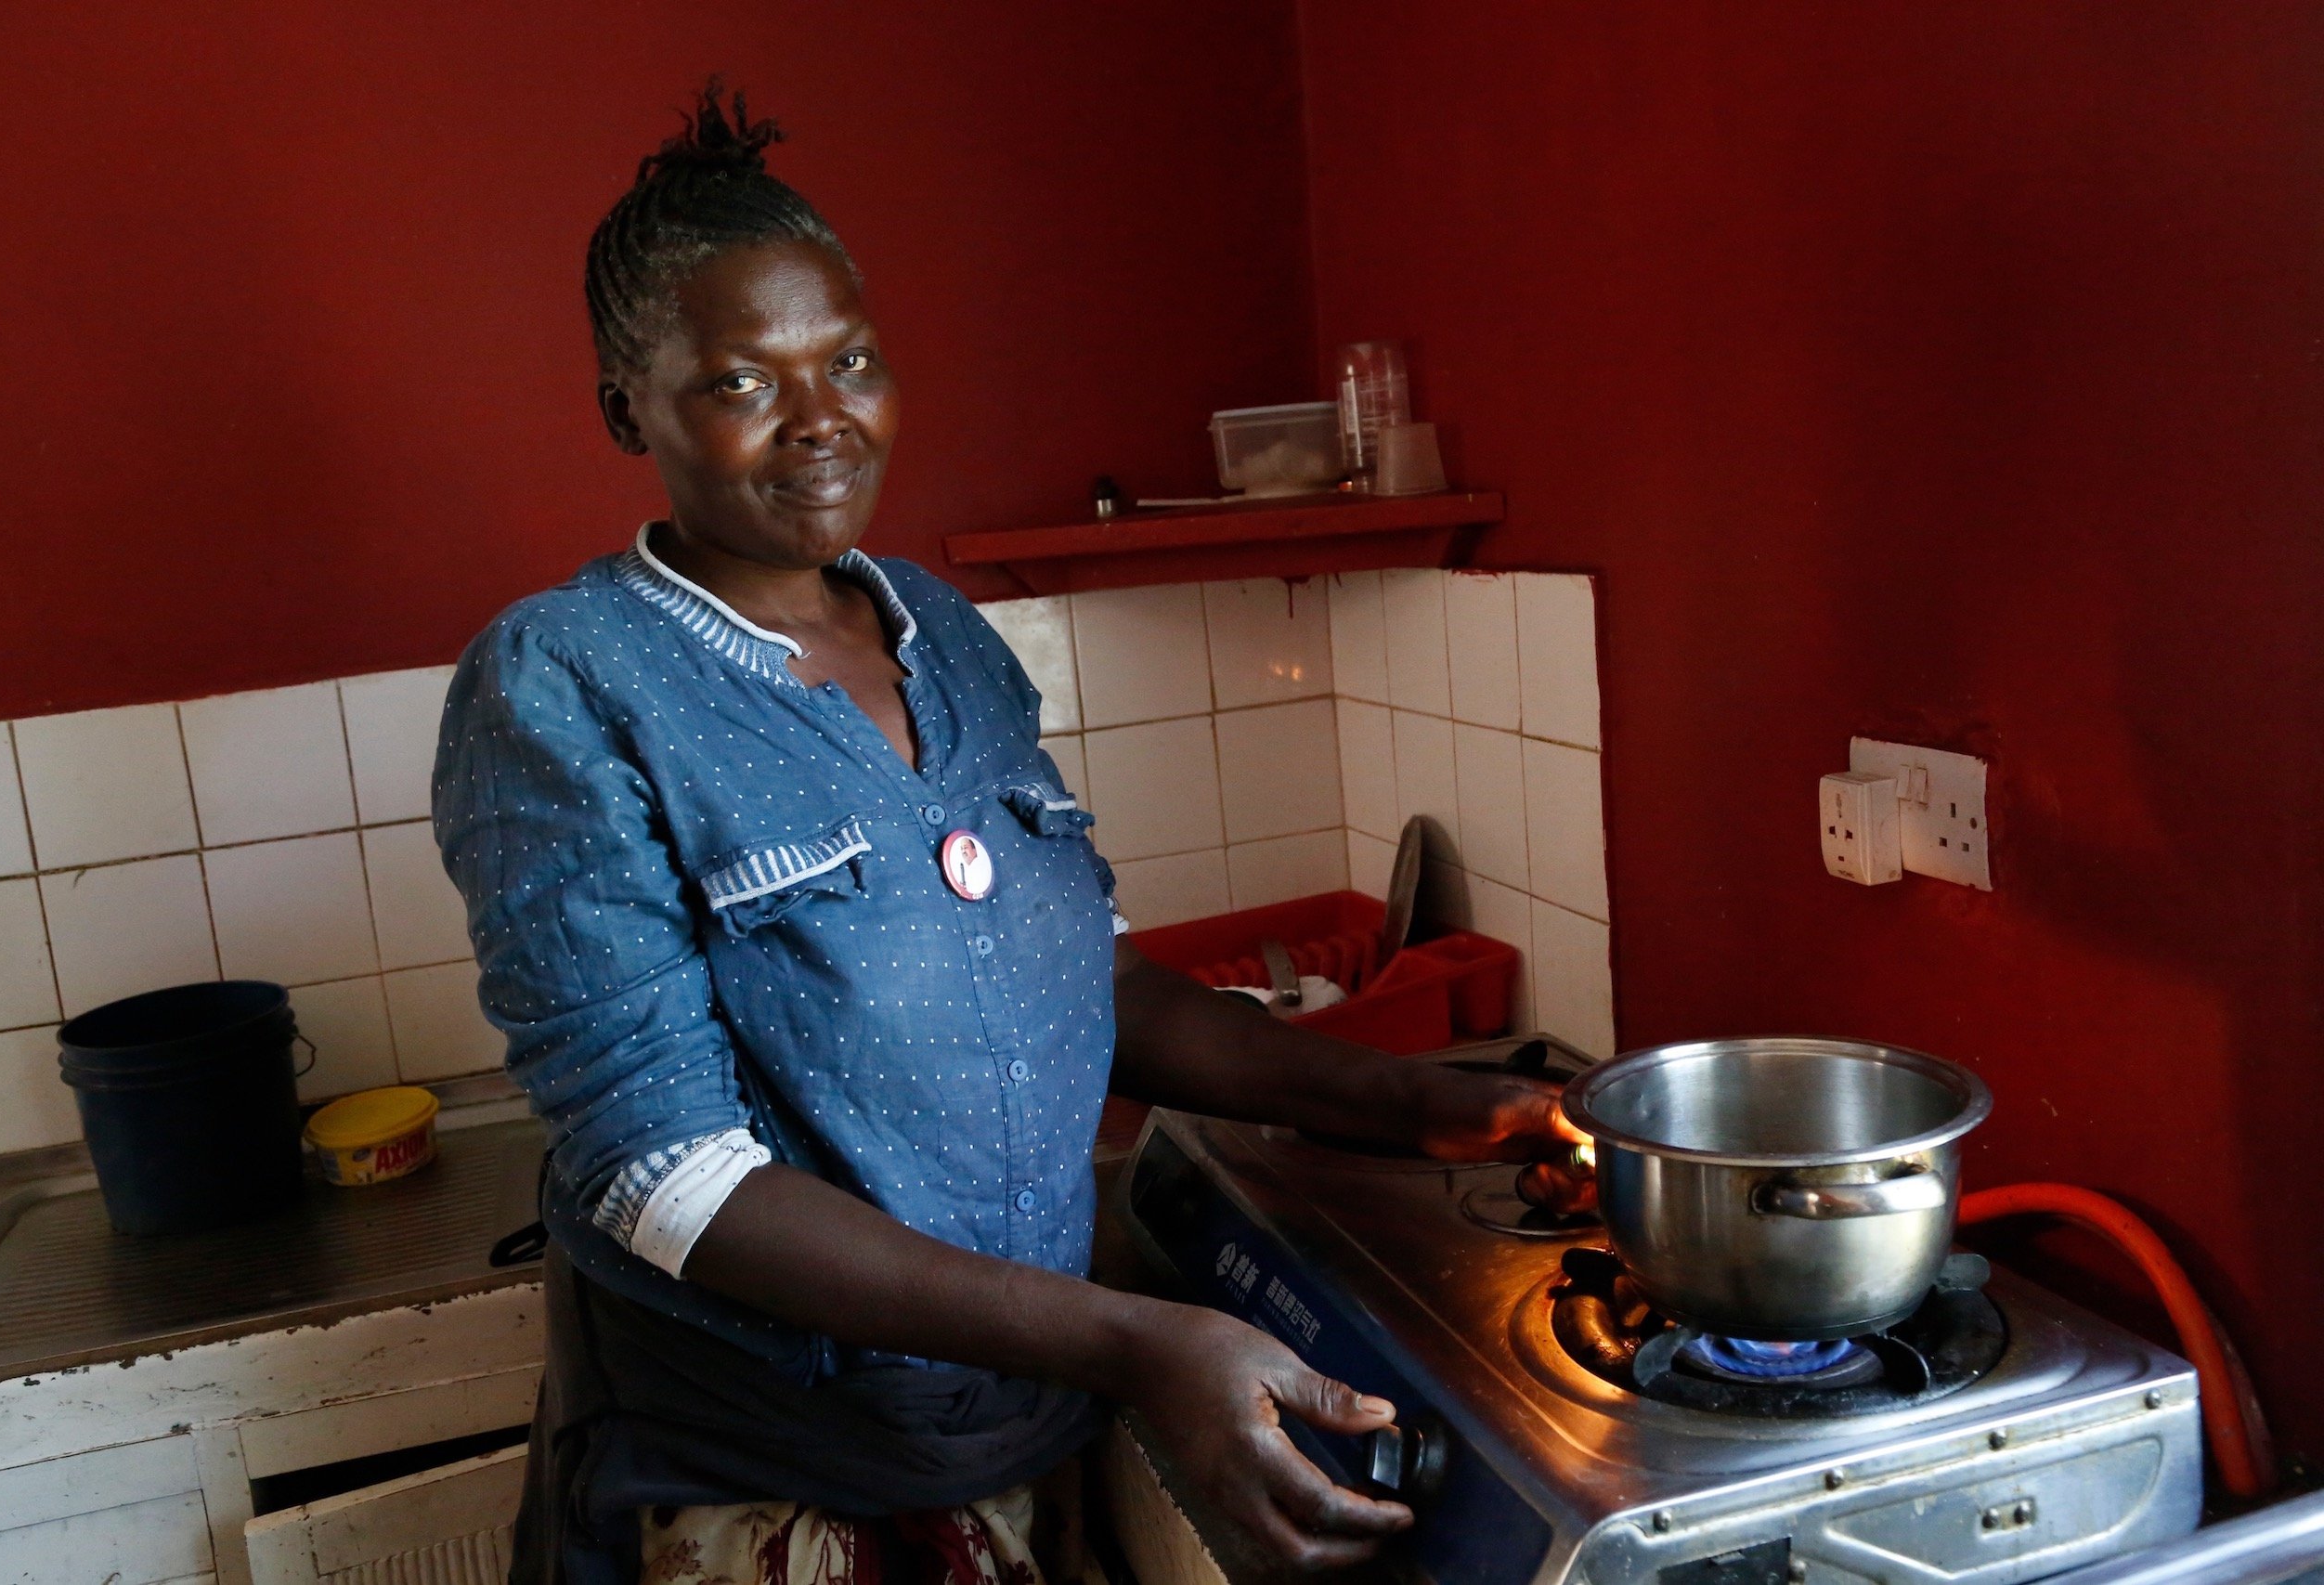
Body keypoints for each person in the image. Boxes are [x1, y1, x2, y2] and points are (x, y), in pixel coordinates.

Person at [435, 84, 1584, 1585]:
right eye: (739, 382)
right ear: (624, 410)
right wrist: (1142, 1343)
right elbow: (661, 1182)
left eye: (848, 360)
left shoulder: (948, 639)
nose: (821, 419)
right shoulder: (566, 679)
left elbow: (1092, 985)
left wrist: (1420, 1109)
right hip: (767, 1491)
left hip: (1021, 1439)